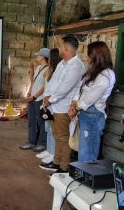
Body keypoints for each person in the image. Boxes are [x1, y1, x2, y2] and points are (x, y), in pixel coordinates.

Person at [40, 35, 86, 173]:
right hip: (54, 106)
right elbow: (53, 82)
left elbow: (65, 88)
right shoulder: (62, 63)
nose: (58, 48)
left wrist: (50, 99)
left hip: (64, 108)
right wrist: (46, 96)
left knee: (63, 138)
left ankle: (63, 166)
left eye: (60, 45)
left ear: (66, 47)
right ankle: (56, 162)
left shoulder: (76, 66)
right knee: (57, 136)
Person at [68, 41, 115, 162]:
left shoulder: (107, 75)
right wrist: (73, 103)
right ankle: (81, 177)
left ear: (96, 56)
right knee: (82, 149)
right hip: (84, 113)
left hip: (93, 116)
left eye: (89, 54)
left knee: (87, 152)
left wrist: (75, 108)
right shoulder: (92, 71)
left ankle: (85, 179)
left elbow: (91, 97)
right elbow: (79, 88)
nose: (86, 57)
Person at [20, 48, 49, 152]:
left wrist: (35, 96)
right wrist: (29, 92)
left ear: (44, 56)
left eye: (38, 55)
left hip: (39, 99)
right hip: (33, 98)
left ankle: (41, 143)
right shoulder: (39, 67)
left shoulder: (48, 69)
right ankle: (31, 142)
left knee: (41, 122)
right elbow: (33, 82)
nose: (36, 57)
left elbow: (45, 86)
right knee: (31, 121)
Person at [36, 48, 61, 164]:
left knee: (53, 131)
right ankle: (49, 150)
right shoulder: (50, 70)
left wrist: (47, 100)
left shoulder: (57, 71)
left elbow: (55, 89)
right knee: (48, 129)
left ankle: (53, 153)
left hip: (52, 103)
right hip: (47, 102)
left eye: (50, 57)